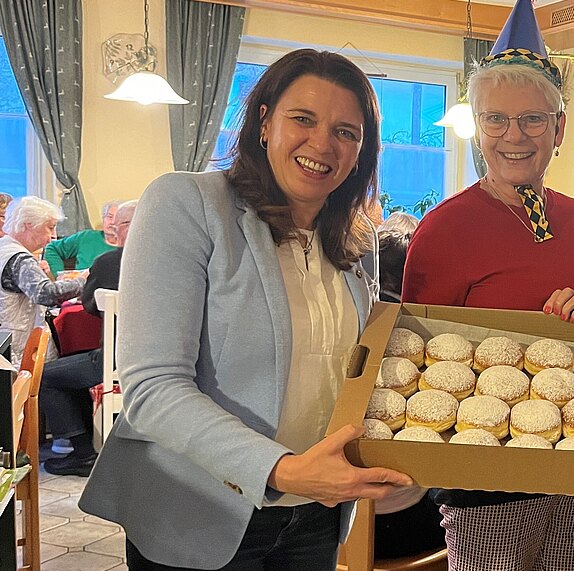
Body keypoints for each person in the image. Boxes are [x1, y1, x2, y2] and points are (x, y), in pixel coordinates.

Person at [78, 48, 417, 570]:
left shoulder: (355, 238)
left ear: (361, 152)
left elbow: (348, 375)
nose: (322, 144)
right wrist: (282, 469)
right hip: (198, 512)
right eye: (302, 119)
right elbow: (153, 388)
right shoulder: (187, 203)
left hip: (316, 516)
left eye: (347, 132)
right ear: (264, 121)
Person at [397, 2, 574, 568]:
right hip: (487, 482)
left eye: (532, 119)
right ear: (477, 129)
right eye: (495, 119)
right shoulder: (443, 229)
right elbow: (417, 360)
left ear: (559, 128)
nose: (514, 136)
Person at [39, 200, 137, 477]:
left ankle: (83, 453)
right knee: (72, 368)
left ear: (124, 228)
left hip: (120, 358)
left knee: (47, 376)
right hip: (173, 358)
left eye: (116, 227)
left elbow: (92, 306)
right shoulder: (176, 259)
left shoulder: (108, 262)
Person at [0, 196, 86, 363]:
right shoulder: (19, 258)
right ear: (28, 225)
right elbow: (46, 294)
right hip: (15, 350)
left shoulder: (4, 248)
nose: (53, 236)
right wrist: (84, 280)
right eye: (50, 228)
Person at [45, 200, 122, 271]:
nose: (112, 222)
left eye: (118, 217)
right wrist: (59, 274)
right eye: (109, 217)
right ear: (103, 218)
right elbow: (52, 248)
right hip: (82, 285)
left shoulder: (130, 245)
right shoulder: (86, 237)